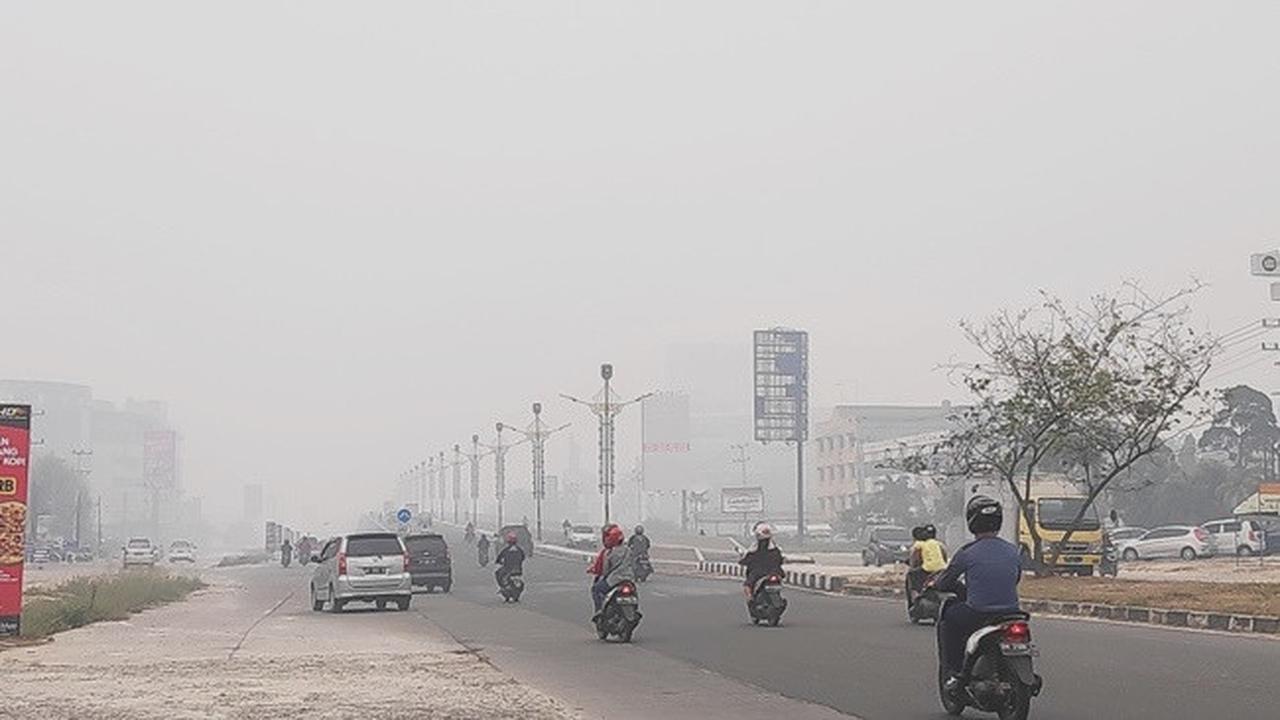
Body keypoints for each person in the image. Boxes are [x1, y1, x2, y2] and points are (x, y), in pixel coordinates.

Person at [932, 495, 1023, 691]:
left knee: (950, 617)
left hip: (978, 612)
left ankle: (954, 671)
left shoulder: (967, 552)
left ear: (972, 522)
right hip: (1013, 612)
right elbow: (1015, 578)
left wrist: (938, 584)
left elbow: (945, 582)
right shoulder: (1013, 551)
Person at [587, 523, 634, 616]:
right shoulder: (628, 550)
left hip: (614, 580)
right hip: (629, 579)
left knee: (596, 589)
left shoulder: (609, 553)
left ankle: (599, 611)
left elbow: (605, 570)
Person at [738, 523, 784, 607]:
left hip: (758, 573)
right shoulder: (775, 548)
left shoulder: (755, 548)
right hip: (775, 572)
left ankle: (750, 599)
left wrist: (742, 561)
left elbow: (746, 559)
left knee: (747, 585)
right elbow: (780, 560)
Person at [908, 524, 949, 604]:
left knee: (911, 574)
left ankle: (916, 597)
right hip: (942, 568)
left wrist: (912, 566)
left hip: (928, 569)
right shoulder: (939, 544)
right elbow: (945, 557)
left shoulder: (919, 544)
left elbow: (915, 560)